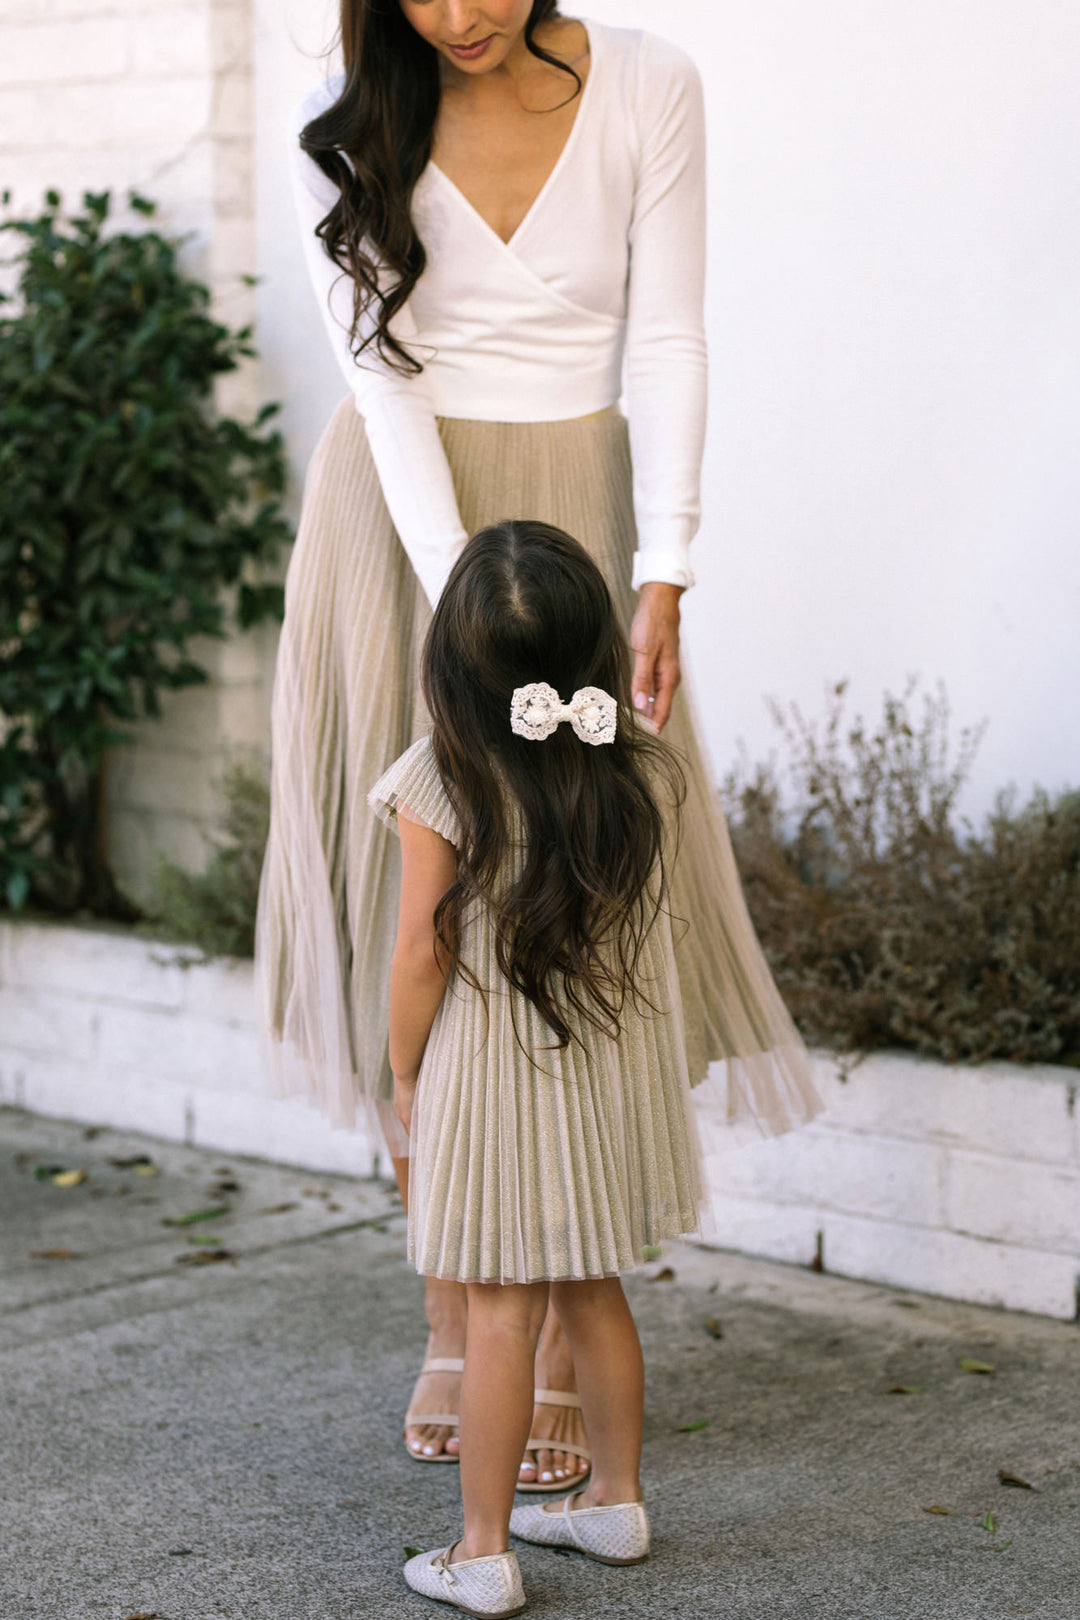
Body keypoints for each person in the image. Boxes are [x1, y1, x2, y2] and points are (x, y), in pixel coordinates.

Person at [253, 0, 823, 1494]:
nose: (458, 15)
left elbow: (677, 329)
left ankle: (567, 1314)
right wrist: (459, 603)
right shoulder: (344, 109)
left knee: (576, 884)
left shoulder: (650, 82)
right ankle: (454, 1301)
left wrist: (669, 567)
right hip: (405, 516)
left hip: (580, 512)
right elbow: (381, 376)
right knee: (420, 896)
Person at [369, 520, 703, 1614]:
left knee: (500, 1308)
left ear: (452, 664)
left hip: (499, 1082)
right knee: (595, 1287)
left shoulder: (443, 775)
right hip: (600, 1075)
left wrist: (402, 1067)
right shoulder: (640, 765)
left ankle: (480, 1551)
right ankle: (614, 1498)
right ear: (597, 647)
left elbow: (422, 949)